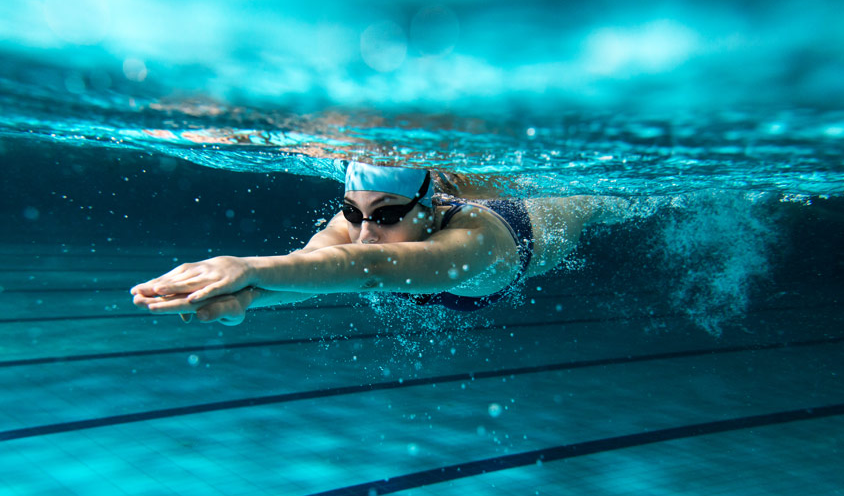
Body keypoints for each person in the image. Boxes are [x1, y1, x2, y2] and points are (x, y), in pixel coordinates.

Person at [131, 161, 621, 325]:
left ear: (428, 208)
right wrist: (245, 299)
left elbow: (371, 268)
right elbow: (308, 267)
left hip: (547, 219)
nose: (364, 232)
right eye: (352, 212)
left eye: (386, 215)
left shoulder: (475, 242)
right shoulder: (360, 226)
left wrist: (244, 266)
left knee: (607, 201)